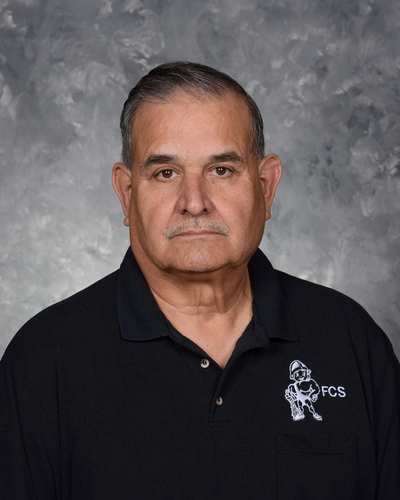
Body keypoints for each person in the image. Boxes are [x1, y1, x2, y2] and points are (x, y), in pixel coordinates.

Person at [0, 61, 399, 499]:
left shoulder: (350, 340)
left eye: (221, 170)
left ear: (265, 188)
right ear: (128, 194)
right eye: (165, 173)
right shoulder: (42, 363)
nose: (194, 202)